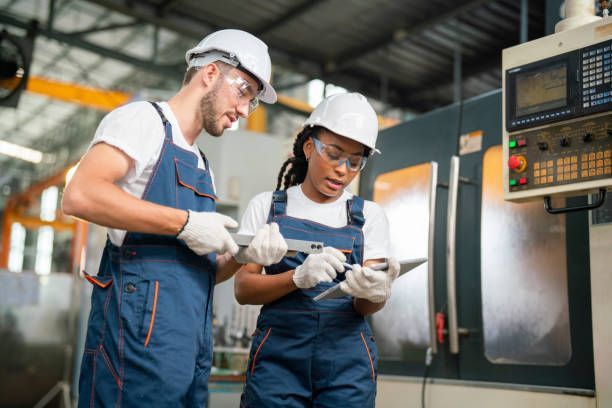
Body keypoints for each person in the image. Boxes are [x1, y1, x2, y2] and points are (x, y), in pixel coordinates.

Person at [62, 29, 288, 407]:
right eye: (244, 92)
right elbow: (81, 194)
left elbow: (200, 272)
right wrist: (184, 222)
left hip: (189, 352)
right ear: (212, 73)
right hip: (133, 347)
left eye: (253, 103)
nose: (243, 111)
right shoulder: (143, 121)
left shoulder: (202, 165)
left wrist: (242, 257)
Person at [235, 93, 400, 407]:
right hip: (278, 360)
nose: (343, 170)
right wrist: (295, 278)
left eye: (355, 162)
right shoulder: (268, 207)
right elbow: (243, 290)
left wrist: (376, 292)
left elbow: (365, 306)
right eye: (334, 154)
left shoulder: (369, 216)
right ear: (309, 147)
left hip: (346, 362)